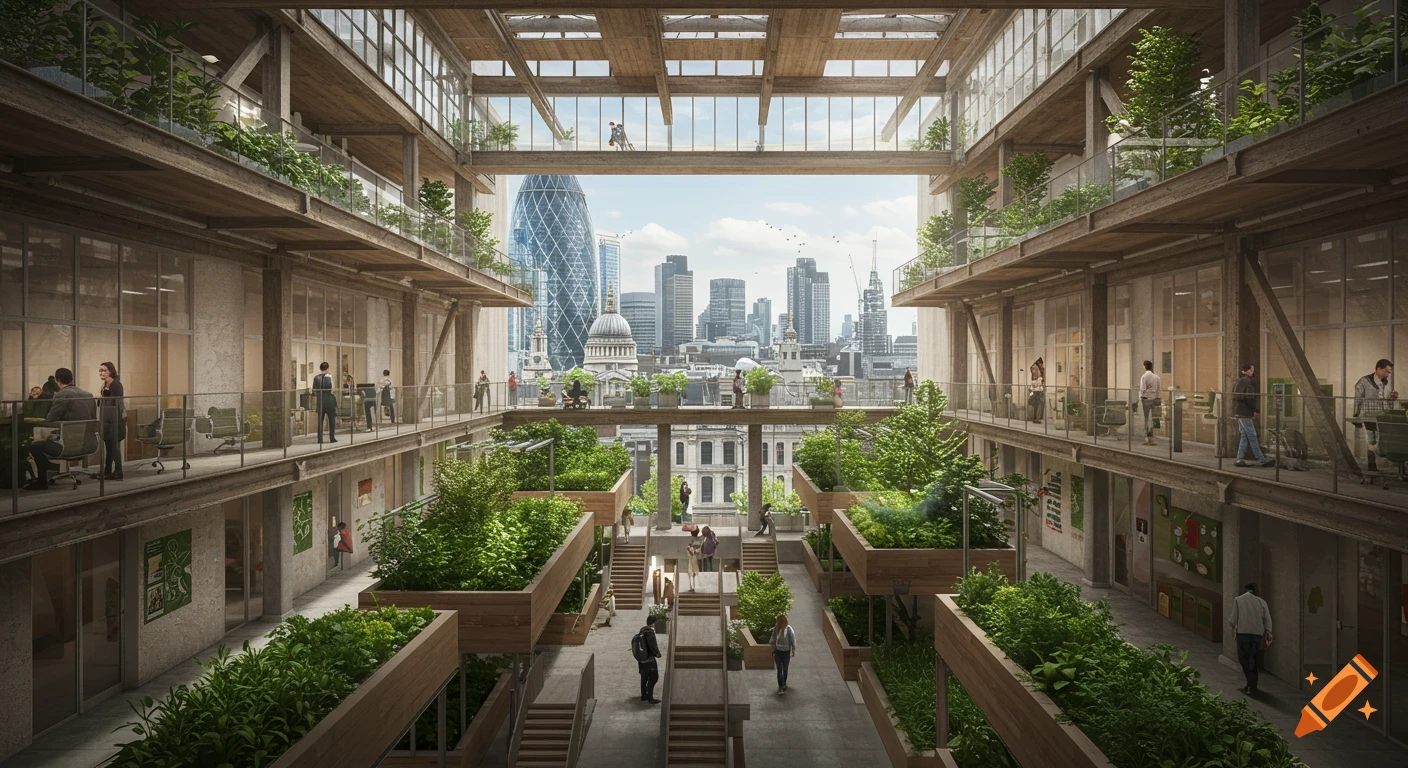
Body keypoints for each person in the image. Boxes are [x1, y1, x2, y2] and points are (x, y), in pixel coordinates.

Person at [25, 368, 97, 490]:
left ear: (58, 380)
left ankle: (42, 481)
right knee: (48, 440)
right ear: (72, 379)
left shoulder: (63, 394)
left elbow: (50, 418)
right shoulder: (88, 395)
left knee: (35, 446)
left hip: (67, 446)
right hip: (88, 444)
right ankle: (50, 468)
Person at [1228, 583, 1272, 696]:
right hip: (1257, 633)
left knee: (1243, 658)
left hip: (1243, 632)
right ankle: (1252, 685)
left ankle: (1251, 680)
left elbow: (1233, 619)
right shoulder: (1261, 602)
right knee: (1255, 659)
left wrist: (1232, 628)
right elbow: (1267, 619)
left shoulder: (1238, 600)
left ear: (1246, 589)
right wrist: (1268, 632)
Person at [1353, 359, 1396, 472]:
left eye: (1390, 371)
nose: (1389, 374)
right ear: (1378, 369)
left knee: (1381, 440)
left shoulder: (1387, 382)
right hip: (1370, 416)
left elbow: (1387, 401)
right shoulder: (1364, 382)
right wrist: (1356, 416)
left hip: (1384, 416)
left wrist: (1392, 397)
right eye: (1387, 371)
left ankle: (1378, 463)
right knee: (1371, 440)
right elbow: (1358, 400)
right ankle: (1371, 466)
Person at [1232, 363, 1271, 468]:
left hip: (1239, 412)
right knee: (1252, 435)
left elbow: (1235, 395)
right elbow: (1250, 398)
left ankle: (1240, 459)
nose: (1253, 372)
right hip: (1245, 413)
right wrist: (1256, 410)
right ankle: (1261, 459)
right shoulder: (1248, 382)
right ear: (1247, 371)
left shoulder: (1239, 381)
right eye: (1251, 370)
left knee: (1244, 436)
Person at [97, 362, 126, 480]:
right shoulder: (105, 384)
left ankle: (118, 471)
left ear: (110, 371)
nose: (101, 373)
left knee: (114, 445)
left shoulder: (116, 384)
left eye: (104, 370)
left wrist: (103, 399)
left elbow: (117, 402)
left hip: (116, 418)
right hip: (107, 418)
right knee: (108, 444)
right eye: (100, 370)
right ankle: (107, 471)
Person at [633, 615, 662, 704]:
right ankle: (650, 698)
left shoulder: (642, 630)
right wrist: (658, 654)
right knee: (653, 677)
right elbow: (652, 646)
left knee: (644, 677)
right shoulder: (650, 632)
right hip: (649, 660)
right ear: (653, 623)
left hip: (641, 659)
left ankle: (643, 696)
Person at [769, 614, 797, 694]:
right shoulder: (777, 628)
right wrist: (770, 644)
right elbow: (773, 637)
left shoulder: (788, 629)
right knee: (781, 669)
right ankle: (781, 686)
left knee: (783, 669)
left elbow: (792, 640)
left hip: (783, 652)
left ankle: (783, 685)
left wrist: (793, 650)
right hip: (779, 652)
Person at [1138, 360, 1162, 446]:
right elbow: (1159, 389)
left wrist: (1140, 397)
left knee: (1146, 419)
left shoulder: (1144, 377)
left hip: (1146, 399)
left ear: (1144, 366)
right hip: (1154, 399)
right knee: (1153, 418)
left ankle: (1147, 437)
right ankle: (1151, 437)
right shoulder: (1157, 377)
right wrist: (1157, 397)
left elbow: (1142, 388)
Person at [313, 362, 337, 444]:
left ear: (320, 369)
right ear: (327, 369)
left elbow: (314, 390)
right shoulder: (329, 377)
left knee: (320, 421)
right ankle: (332, 437)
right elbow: (332, 388)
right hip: (329, 400)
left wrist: (319, 396)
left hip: (320, 401)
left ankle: (320, 439)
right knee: (332, 420)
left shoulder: (316, 378)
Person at [1028, 358, 1045, 423]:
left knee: (1038, 406)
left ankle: (1037, 418)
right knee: (1034, 406)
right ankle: (1034, 418)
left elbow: (1039, 385)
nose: (1032, 370)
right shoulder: (1033, 376)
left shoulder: (1040, 377)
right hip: (1034, 392)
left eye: (1033, 369)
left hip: (1038, 393)